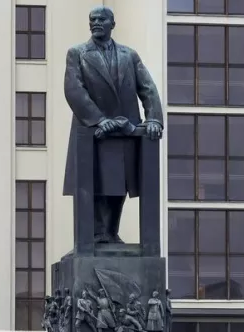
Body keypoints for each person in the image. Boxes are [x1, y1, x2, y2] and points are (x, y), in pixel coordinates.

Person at [63, 5, 163, 244]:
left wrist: (154, 119)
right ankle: (97, 233)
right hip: (93, 131)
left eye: (101, 19)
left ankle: (110, 232)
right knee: (95, 183)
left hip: (125, 130)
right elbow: (74, 90)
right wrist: (99, 119)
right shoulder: (77, 53)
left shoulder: (129, 55)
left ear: (112, 24)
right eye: (92, 19)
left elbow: (147, 88)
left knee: (120, 184)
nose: (96, 22)